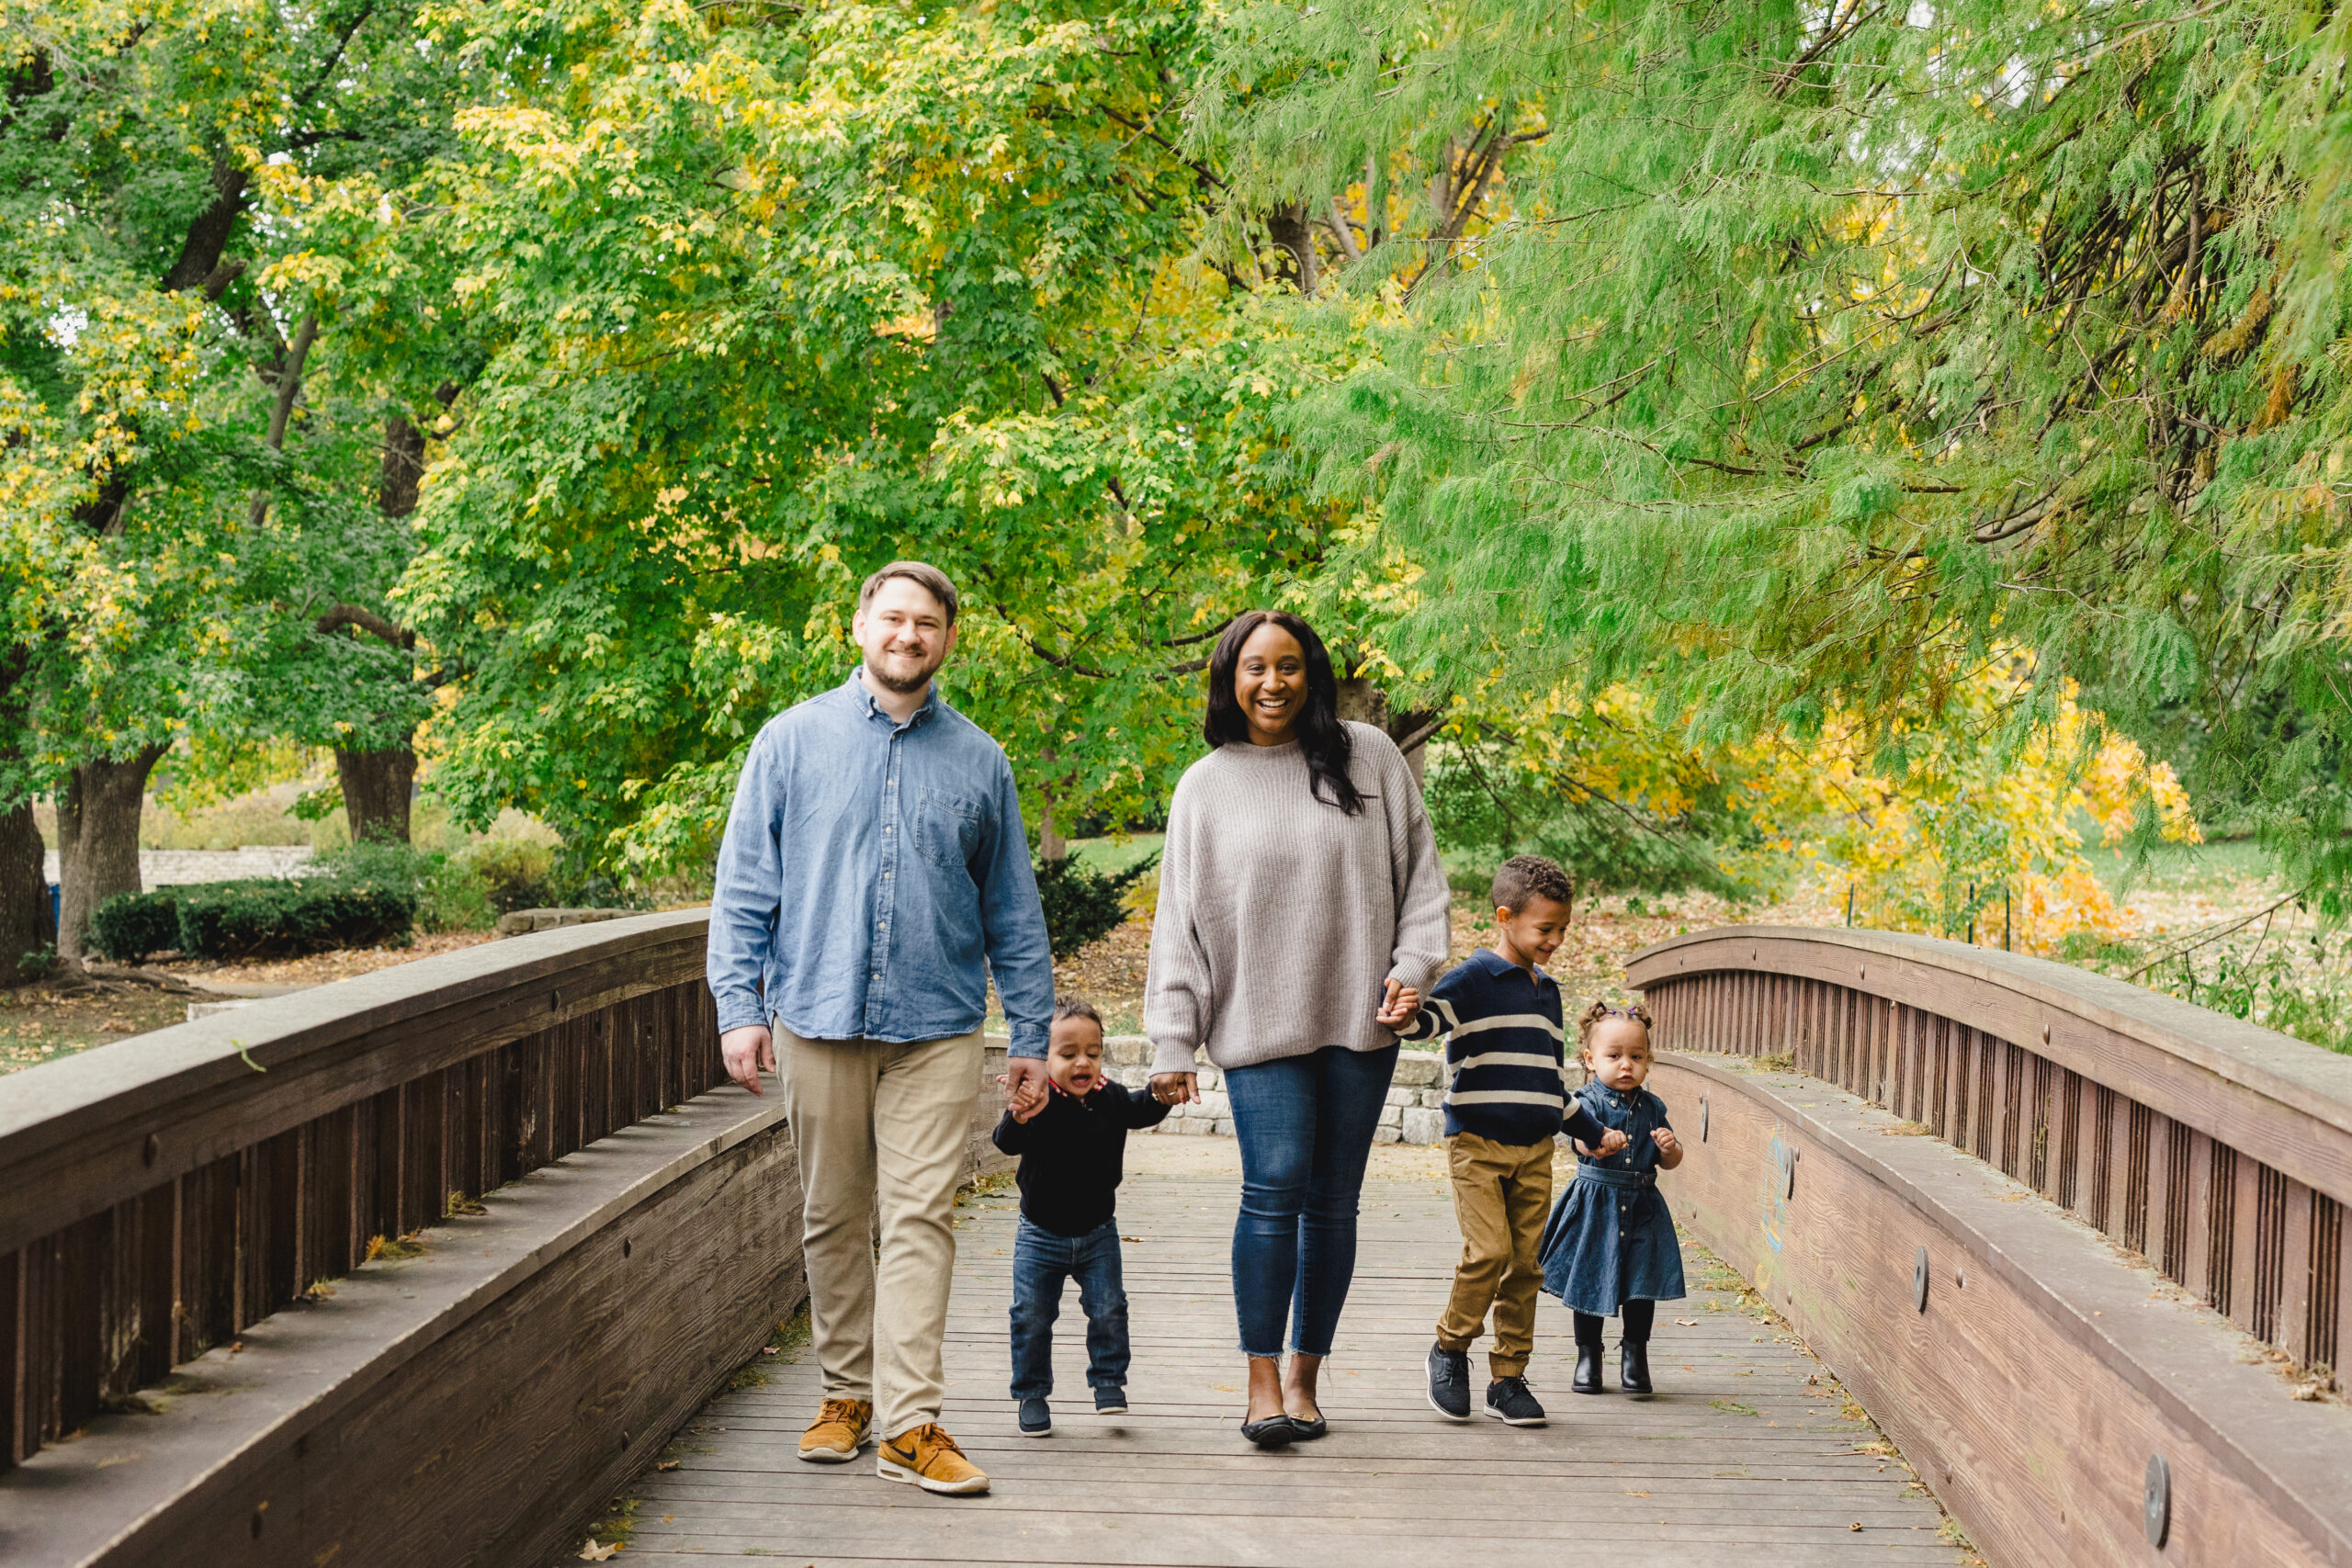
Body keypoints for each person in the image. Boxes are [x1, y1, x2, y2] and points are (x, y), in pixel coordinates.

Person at [707, 560, 1056, 1497]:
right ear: (859, 626)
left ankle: (910, 1422)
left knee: (918, 1219)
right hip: (815, 1017)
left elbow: (1013, 915)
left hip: (934, 1027)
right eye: (893, 619)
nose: (908, 636)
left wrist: (1030, 1036)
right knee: (832, 1216)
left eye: (927, 624)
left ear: (947, 640)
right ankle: (844, 1396)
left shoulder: (981, 760)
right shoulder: (789, 743)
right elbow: (743, 892)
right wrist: (738, 1008)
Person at [1144, 610, 1451, 1449]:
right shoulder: (1205, 785)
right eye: (1254, 667)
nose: (1271, 682)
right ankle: (1260, 1378)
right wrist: (1173, 1039)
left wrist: (1413, 968)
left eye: (1287, 665)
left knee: (1334, 1203)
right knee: (1274, 1182)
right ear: (1229, 678)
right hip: (1257, 1020)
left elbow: (1421, 881)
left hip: (1361, 1018)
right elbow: (1180, 925)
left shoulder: (1369, 756)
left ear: (1310, 672)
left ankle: (1308, 1375)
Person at [1397, 854, 1630, 1427]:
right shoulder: (1473, 978)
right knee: (1490, 1252)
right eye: (1544, 930)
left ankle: (1508, 1378)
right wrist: (1403, 1012)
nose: (1555, 941)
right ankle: (1450, 1350)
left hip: (1533, 1152)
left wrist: (1594, 1133)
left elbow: (1550, 1086)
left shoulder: (1547, 992)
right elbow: (1426, 1022)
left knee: (1526, 1265)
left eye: (1562, 930)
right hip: (1476, 1143)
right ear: (1505, 917)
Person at [990, 998, 1170, 1437]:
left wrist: (1165, 1095)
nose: (1082, 1062)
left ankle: (1108, 1382)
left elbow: (1141, 1108)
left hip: (1097, 1233)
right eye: (1067, 1054)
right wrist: (1018, 1112)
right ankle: (1032, 1394)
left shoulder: (1109, 1097)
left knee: (1109, 1308)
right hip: (1040, 1234)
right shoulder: (1037, 1101)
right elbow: (1005, 1144)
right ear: (1043, 1059)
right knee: (1031, 1315)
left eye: (1092, 1052)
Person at [1539, 1001, 1687, 1398]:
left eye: (1636, 1057)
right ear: (1590, 1059)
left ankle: (1635, 1354)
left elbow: (1670, 1161)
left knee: (1641, 1283)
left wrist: (1670, 1148)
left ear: (1648, 1061)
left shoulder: (1654, 1108)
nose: (1626, 1066)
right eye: (1614, 1056)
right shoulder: (1586, 1101)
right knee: (1590, 1276)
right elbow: (1578, 1142)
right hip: (1596, 1201)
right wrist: (1596, 1142)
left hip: (1642, 1204)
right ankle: (1588, 1354)